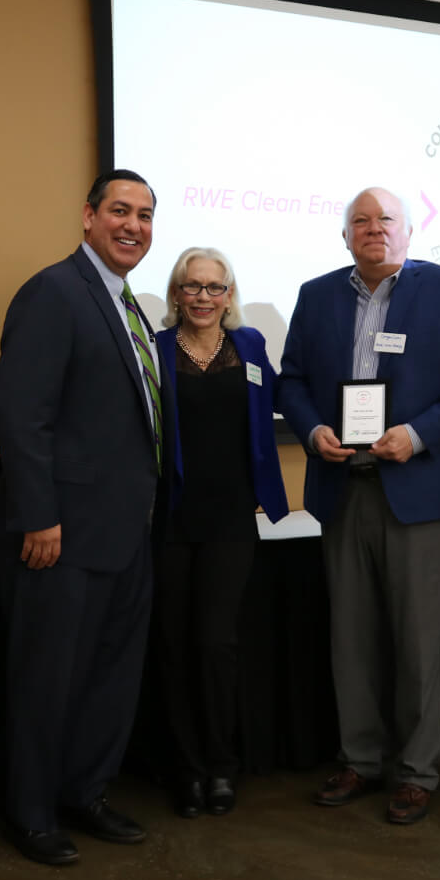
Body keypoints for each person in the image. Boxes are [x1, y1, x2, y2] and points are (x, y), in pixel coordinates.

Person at [276, 186, 440, 826]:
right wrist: (313, 427)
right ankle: (359, 758)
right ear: (345, 235)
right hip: (344, 488)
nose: (374, 229)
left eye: (386, 220)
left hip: (422, 491)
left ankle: (416, 771)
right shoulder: (317, 295)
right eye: (361, 221)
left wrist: (419, 433)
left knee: (419, 642)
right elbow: (291, 378)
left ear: (409, 231)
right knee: (350, 637)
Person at [0, 169, 162, 866]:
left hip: (123, 531)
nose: (133, 225)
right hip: (56, 534)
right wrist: (39, 516)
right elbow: (21, 414)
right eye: (120, 210)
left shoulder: (128, 304)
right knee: (46, 678)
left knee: (107, 678)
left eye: (145, 215)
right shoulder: (54, 292)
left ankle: (85, 793)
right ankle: (29, 815)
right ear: (88, 216)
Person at [152, 247, 289, 819]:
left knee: (216, 643)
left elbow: (282, 403)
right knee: (175, 646)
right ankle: (187, 772)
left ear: (229, 294)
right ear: (176, 294)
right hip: (172, 517)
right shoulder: (154, 351)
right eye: (192, 286)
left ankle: (221, 766)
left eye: (215, 287)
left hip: (234, 517)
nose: (204, 297)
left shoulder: (251, 346)